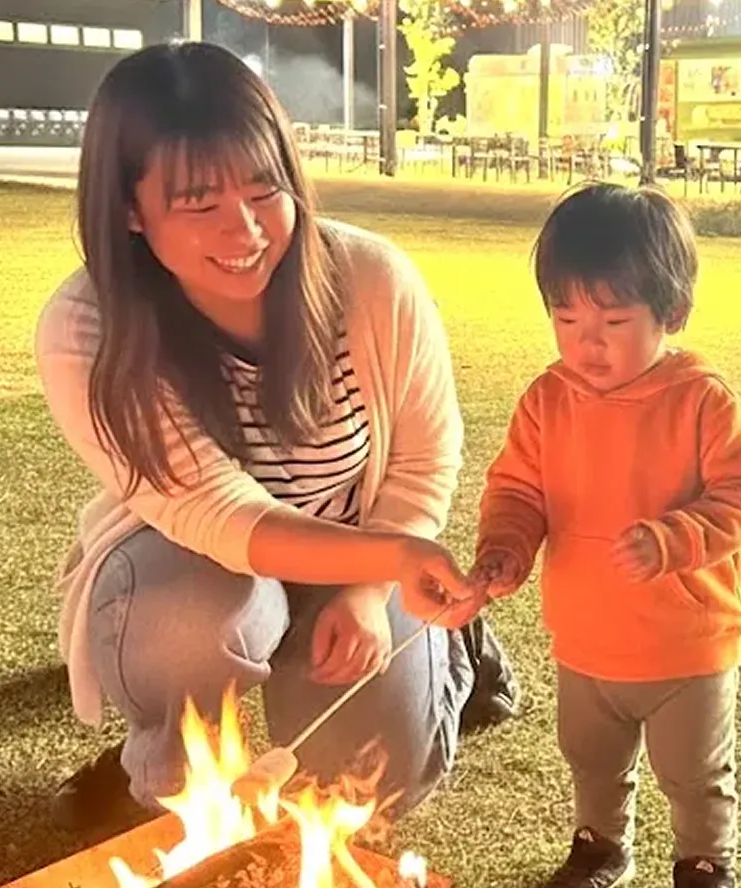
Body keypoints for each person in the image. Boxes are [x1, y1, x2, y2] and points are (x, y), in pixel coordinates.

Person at [37, 43, 517, 837]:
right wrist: (394, 564)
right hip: (198, 564)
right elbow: (219, 519)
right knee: (195, 618)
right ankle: (169, 772)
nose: (247, 228)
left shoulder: (371, 279)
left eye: (267, 188)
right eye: (199, 203)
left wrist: (368, 590)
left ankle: (453, 657)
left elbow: (425, 457)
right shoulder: (89, 328)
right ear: (130, 208)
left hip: (357, 551)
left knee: (372, 780)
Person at [472, 183, 741, 888]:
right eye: (566, 320)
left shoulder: (702, 400)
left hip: (686, 644)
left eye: (613, 321)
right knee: (591, 758)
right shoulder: (547, 399)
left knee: (694, 773)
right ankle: (599, 845)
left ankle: (705, 865)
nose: (587, 343)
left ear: (672, 314)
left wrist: (674, 539)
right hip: (585, 639)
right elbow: (516, 489)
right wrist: (505, 547)